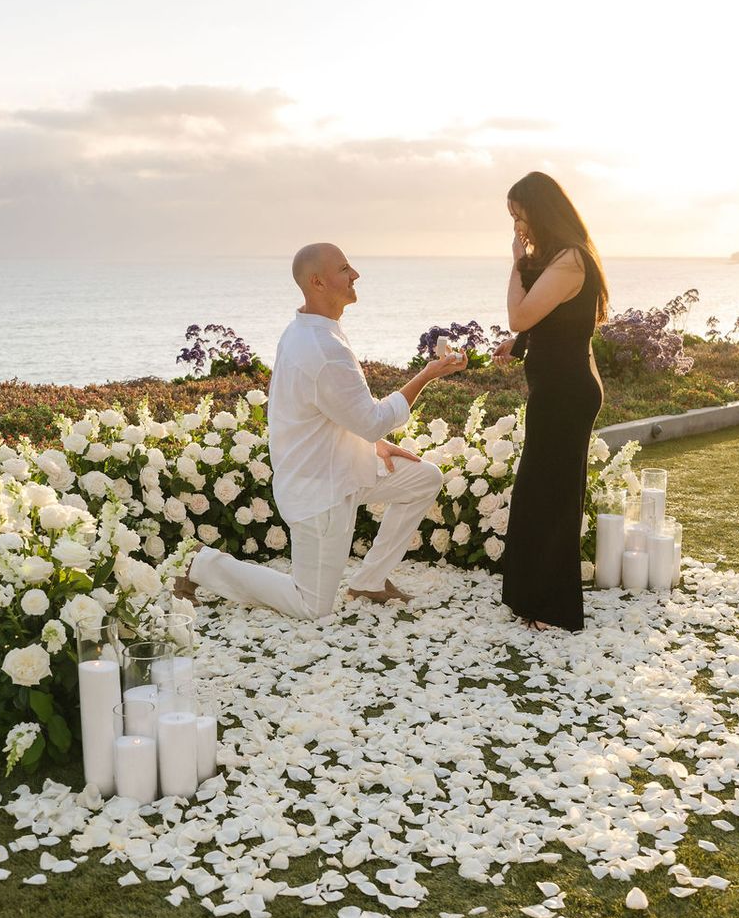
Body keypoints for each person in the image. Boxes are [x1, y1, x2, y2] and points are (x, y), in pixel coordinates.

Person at [178, 243, 465, 619]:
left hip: (344, 467)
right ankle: (199, 563)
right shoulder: (322, 347)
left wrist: (376, 445)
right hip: (319, 490)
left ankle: (370, 581)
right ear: (317, 282)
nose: (355, 274)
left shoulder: (307, 330)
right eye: (344, 268)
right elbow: (372, 420)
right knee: (311, 605)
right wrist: (427, 375)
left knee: (424, 478)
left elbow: (322, 409)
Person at [491, 172, 608, 631]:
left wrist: (517, 263)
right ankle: (533, 598)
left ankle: (553, 607)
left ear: (541, 212)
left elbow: (520, 314)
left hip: (566, 393)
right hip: (557, 389)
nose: (517, 227)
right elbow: (555, 321)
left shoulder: (570, 259)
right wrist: (519, 345)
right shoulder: (562, 258)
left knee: (552, 496)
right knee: (540, 492)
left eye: (520, 216)